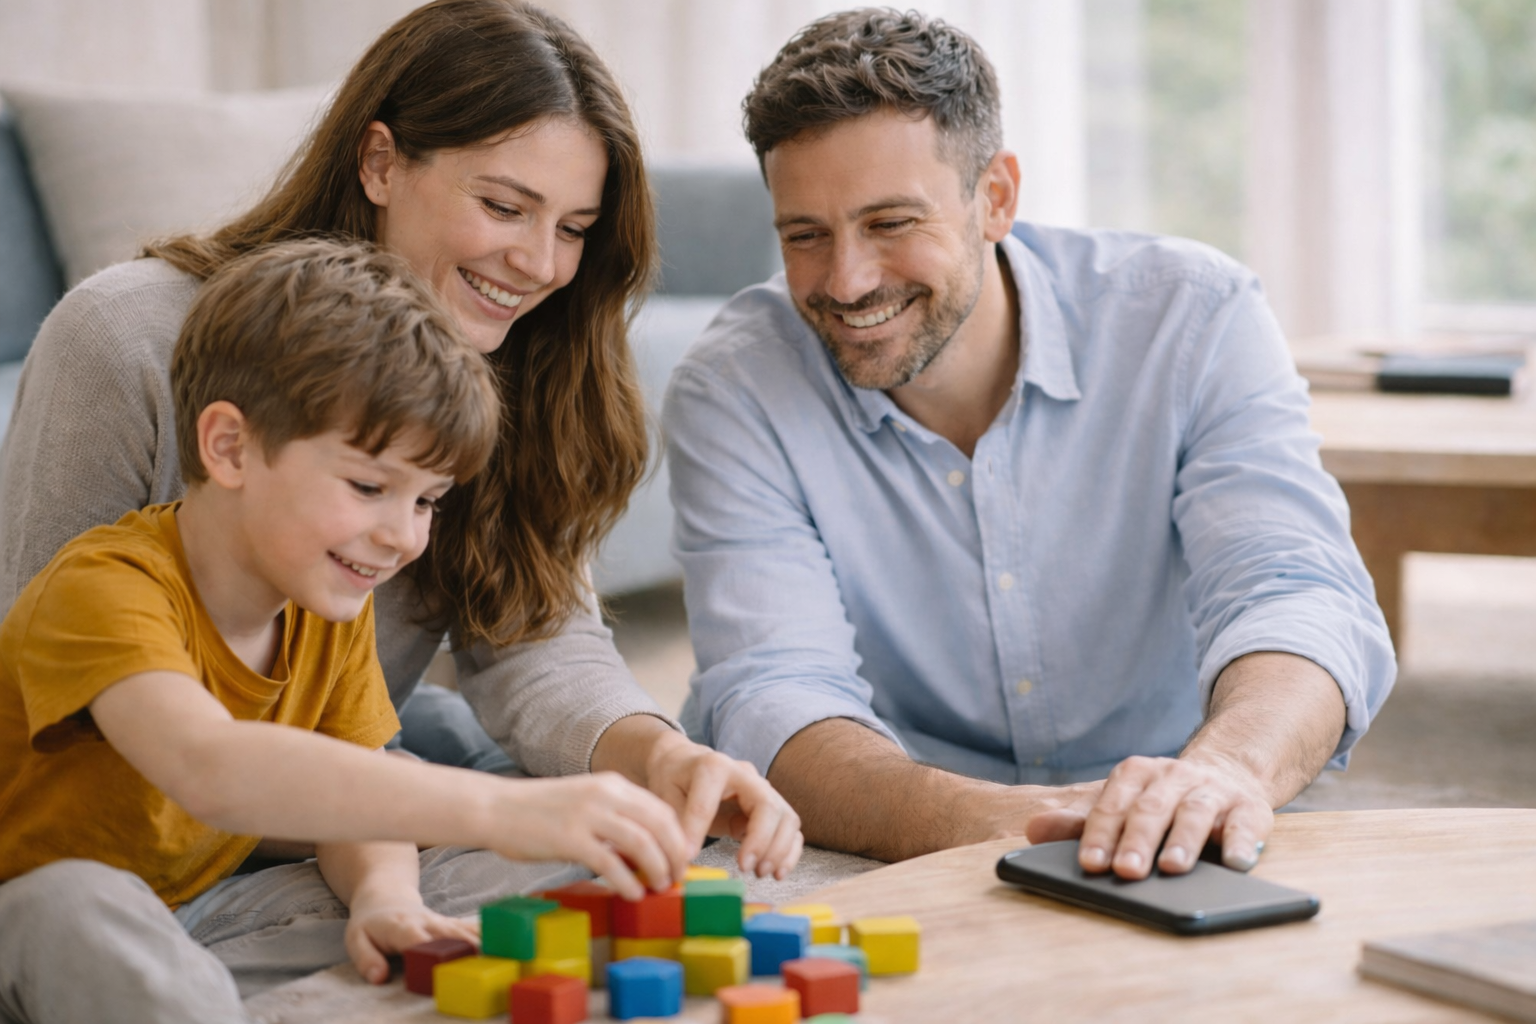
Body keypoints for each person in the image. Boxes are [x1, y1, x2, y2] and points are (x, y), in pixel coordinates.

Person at [0, 0, 800, 892]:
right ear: (380, 163)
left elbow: (534, 638)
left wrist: (662, 760)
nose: (540, 264)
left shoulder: (508, 363)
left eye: (573, 229)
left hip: (350, 769)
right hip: (131, 821)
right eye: (504, 206)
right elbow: (53, 677)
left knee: (590, 839)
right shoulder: (127, 338)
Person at [664, 9, 1395, 876]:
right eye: (805, 236)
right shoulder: (735, 384)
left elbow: (1296, 592)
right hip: (895, 837)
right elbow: (774, 696)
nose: (846, 281)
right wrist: (1040, 820)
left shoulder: (1193, 316)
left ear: (996, 198)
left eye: (892, 223)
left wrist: (1222, 772)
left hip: (1183, 812)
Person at [0, 239, 700, 1023]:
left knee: (533, 887)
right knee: (82, 907)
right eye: (370, 486)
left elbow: (357, 794)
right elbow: (210, 766)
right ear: (228, 446)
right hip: (32, 914)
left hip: (206, 910)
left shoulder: (325, 597)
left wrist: (383, 896)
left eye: (427, 501)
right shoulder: (103, 588)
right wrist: (503, 811)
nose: (401, 536)